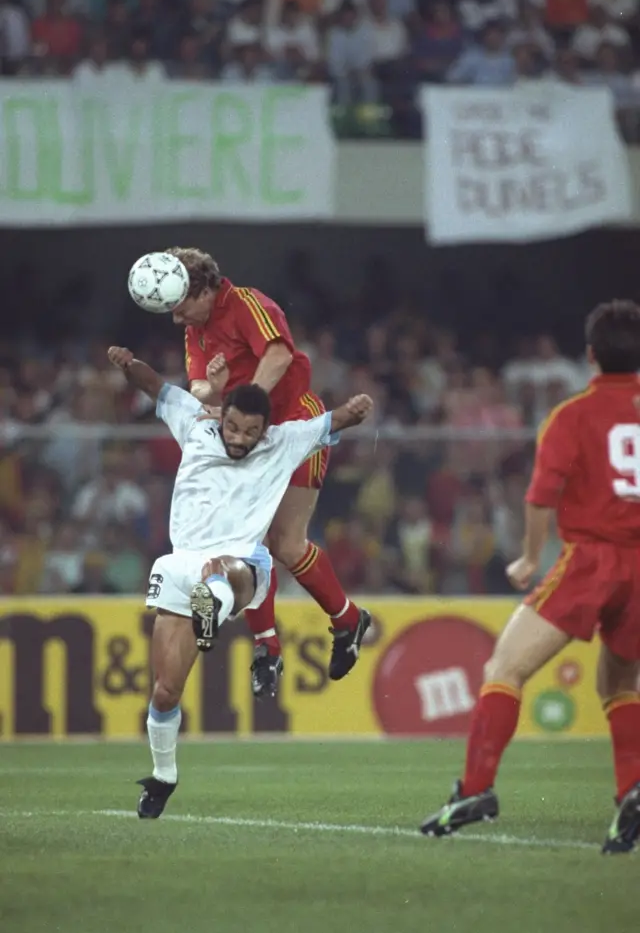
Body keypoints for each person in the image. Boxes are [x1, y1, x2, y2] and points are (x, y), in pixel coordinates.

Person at [107, 345, 373, 819]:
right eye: (232, 427)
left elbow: (335, 420)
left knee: (235, 570)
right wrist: (128, 365)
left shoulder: (284, 441)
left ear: (264, 429)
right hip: (180, 564)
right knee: (166, 691)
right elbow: (156, 387)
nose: (240, 438)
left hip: (242, 561)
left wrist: (357, 410)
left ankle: (219, 598)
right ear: (221, 415)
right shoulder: (195, 423)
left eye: (251, 432)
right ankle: (164, 776)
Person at [420, 300, 640, 855]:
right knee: (619, 685)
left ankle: (475, 791)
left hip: (592, 560)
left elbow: (541, 495)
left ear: (591, 356)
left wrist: (528, 557)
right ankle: (632, 791)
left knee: (506, 667)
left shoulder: (572, 416)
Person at [167, 246, 371, 698]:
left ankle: (348, 620)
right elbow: (198, 384)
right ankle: (268, 648)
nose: (177, 319)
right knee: (243, 544)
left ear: (202, 290)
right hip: (250, 440)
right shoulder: (196, 331)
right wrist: (212, 390)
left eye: (180, 308)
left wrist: (245, 408)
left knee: (286, 543)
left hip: (295, 427)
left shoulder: (245, 304)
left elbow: (279, 355)